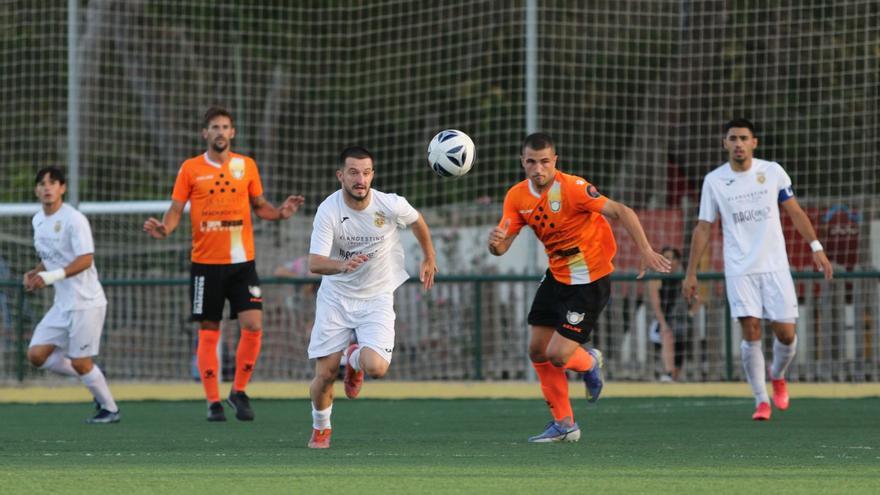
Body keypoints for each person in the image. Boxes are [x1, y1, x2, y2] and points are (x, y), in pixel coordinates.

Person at [488, 133, 671, 443]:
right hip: (557, 276)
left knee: (558, 356)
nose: (538, 169)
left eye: (545, 162)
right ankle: (565, 424)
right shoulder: (516, 197)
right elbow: (502, 246)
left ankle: (589, 362)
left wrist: (645, 250)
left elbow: (621, 211)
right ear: (523, 162)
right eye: (531, 162)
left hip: (590, 280)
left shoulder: (573, 188)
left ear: (555, 162)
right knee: (536, 349)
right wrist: (495, 246)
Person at [143, 106, 305, 422]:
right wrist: (165, 229)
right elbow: (176, 209)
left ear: (232, 133)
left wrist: (280, 213)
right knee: (209, 329)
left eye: (225, 127)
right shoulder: (190, 169)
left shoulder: (247, 166)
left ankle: (239, 391)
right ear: (205, 133)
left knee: (254, 325)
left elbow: (260, 206)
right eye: (214, 127)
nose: (220, 132)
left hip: (242, 263)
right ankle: (213, 401)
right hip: (206, 264)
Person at [683, 118, 834, 421]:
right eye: (732, 138)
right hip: (739, 268)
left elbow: (795, 211)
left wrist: (816, 247)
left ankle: (777, 374)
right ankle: (761, 400)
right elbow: (703, 227)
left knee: (786, 334)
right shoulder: (714, 180)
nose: (738, 143)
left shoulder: (772, 171)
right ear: (724, 143)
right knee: (750, 330)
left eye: (743, 138)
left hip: (775, 266)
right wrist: (691, 272)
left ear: (754, 143)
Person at [305, 146, 437, 449]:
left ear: (372, 175)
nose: (360, 179)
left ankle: (353, 359)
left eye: (366, 172)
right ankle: (321, 427)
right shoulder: (329, 210)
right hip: (336, 298)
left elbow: (417, 221)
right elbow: (315, 262)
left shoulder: (389, 205)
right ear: (341, 176)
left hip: (376, 297)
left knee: (376, 367)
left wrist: (429, 256)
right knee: (324, 375)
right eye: (353, 172)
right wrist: (341, 265)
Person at [24, 166, 120, 423]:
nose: (47, 187)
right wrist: (35, 273)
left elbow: (86, 259)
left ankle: (110, 409)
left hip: (86, 303)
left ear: (62, 188)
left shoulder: (74, 219)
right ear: (36, 190)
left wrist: (51, 277)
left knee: (80, 362)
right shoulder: (37, 220)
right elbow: (50, 258)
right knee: (36, 355)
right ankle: (92, 374)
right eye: (42, 183)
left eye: (53, 183)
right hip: (62, 304)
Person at [647, 247, 692, 382]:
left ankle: (674, 376)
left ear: (678, 262)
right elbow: (656, 305)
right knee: (668, 334)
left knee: (680, 345)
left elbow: (696, 298)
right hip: (661, 322)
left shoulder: (684, 279)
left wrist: (691, 313)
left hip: (680, 322)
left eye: (672, 258)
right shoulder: (656, 278)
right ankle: (668, 372)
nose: (669, 261)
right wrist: (663, 324)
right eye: (666, 257)